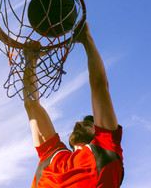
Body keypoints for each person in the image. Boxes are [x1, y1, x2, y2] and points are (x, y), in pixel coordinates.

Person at [23, 22, 124, 188]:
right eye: (81, 122)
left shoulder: (105, 149)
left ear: (97, 132)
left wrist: (86, 40)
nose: (78, 124)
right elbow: (31, 105)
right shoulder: (53, 155)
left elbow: (99, 85)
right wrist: (30, 62)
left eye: (87, 124)